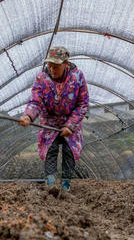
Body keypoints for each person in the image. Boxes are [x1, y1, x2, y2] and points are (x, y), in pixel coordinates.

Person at [18, 46, 89, 192]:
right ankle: (51, 185)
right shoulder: (42, 79)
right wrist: (28, 116)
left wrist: (70, 125)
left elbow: (82, 103)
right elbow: (35, 101)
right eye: (49, 66)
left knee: (69, 152)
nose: (52, 69)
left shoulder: (77, 77)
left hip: (71, 121)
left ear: (66, 64)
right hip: (49, 121)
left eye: (55, 66)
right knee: (51, 149)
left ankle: (65, 186)